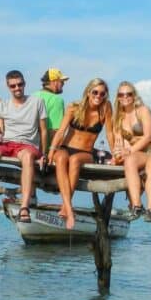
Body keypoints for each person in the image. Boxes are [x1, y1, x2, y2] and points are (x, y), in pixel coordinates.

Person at [0, 70, 47, 224]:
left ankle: (25, 206)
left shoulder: (37, 102)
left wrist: (44, 154)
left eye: (19, 84)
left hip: (27, 145)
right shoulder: (2, 105)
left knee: (27, 157)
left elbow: (44, 130)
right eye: (13, 86)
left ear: (24, 84)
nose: (17, 88)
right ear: (8, 87)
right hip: (6, 143)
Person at [48, 78, 115, 229]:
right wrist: (51, 150)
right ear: (88, 92)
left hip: (85, 152)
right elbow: (61, 132)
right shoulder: (74, 107)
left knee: (75, 160)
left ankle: (66, 207)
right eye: (95, 92)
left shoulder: (105, 109)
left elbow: (110, 134)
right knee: (62, 158)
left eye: (102, 94)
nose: (98, 96)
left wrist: (115, 154)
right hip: (65, 146)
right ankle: (69, 209)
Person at [113, 82, 151, 222]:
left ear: (134, 96)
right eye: (121, 94)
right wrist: (118, 155)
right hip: (143, 154)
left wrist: (129, 150)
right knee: (129, 161)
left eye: (129, 94)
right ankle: (136, 206)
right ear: (117, 97)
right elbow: (120, 145)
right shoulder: (118, 119)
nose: (125, 97)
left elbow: (148, 137)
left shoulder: (143, 110)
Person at [35, 67, 68, 144]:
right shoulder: (57, 100)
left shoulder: (32, 96)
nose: (63, 84)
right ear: (54, 82)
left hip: (31, 145)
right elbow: (55, 131)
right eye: (62, 82)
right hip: (45, 149)